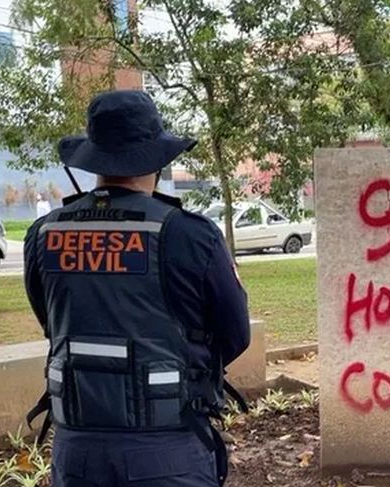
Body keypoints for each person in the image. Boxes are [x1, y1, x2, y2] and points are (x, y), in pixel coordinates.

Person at [23, 90, 250, 487]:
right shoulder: (190, 236)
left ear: (93, 158)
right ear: (158, 160)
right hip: (168, 449)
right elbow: (235, 334)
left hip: (76, 450)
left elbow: (50, 321)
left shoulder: (44, 234)